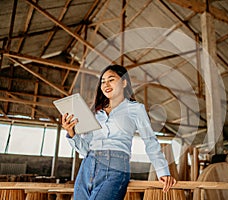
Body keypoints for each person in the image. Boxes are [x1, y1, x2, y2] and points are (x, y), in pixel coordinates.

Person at [62, 64, 176, 200]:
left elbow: (150, 141)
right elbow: (84, 149)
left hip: (116, 167)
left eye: (111, 79)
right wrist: (71, 133)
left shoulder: (136, 109)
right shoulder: (96, 113)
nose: (106, 84)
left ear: (124, 82)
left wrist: (162, 171)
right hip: (87, 166)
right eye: (103, 82)